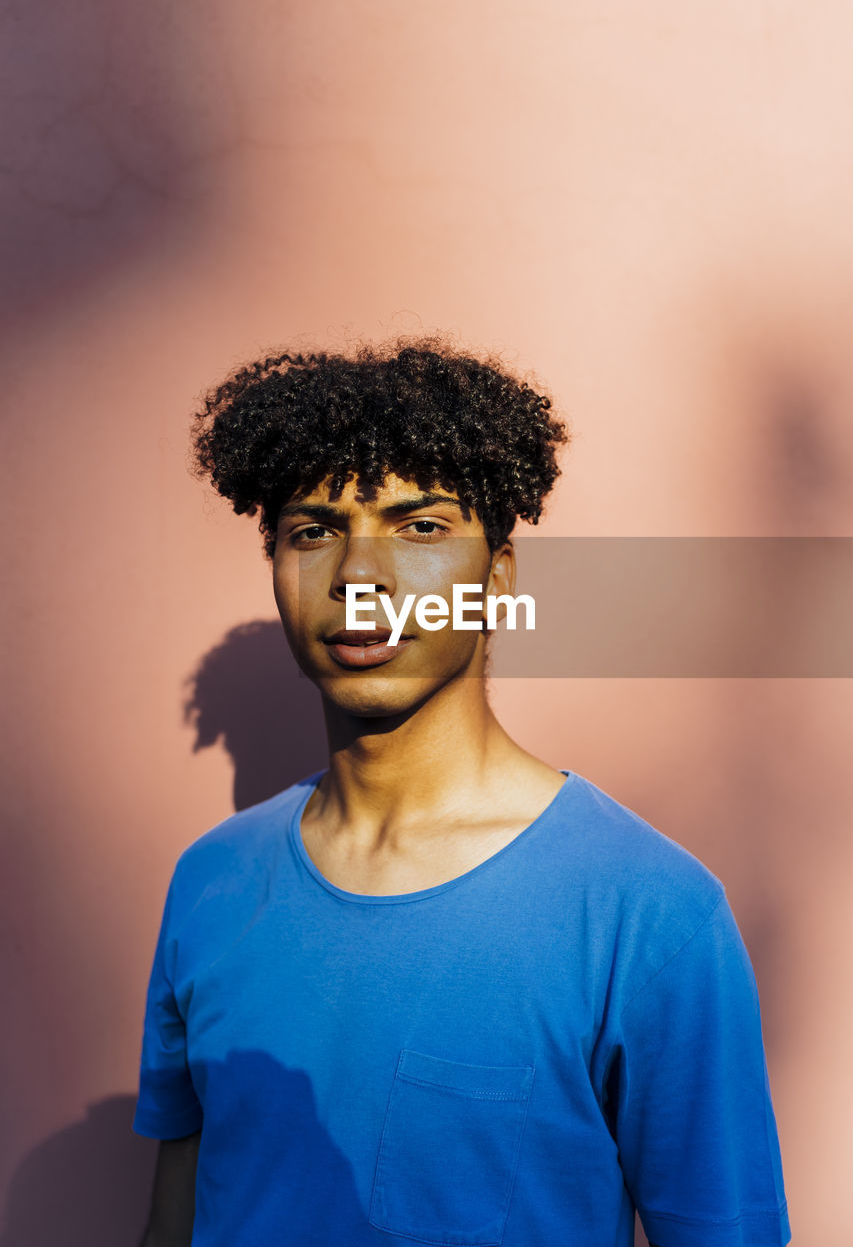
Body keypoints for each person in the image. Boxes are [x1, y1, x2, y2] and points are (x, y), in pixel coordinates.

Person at [133, 337, 791, 1247]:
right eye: (311, 531)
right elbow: (178, 1213)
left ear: (498, 580)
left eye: (421, 527)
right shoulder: (208, 881)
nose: (358, 579)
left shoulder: (648, 912)